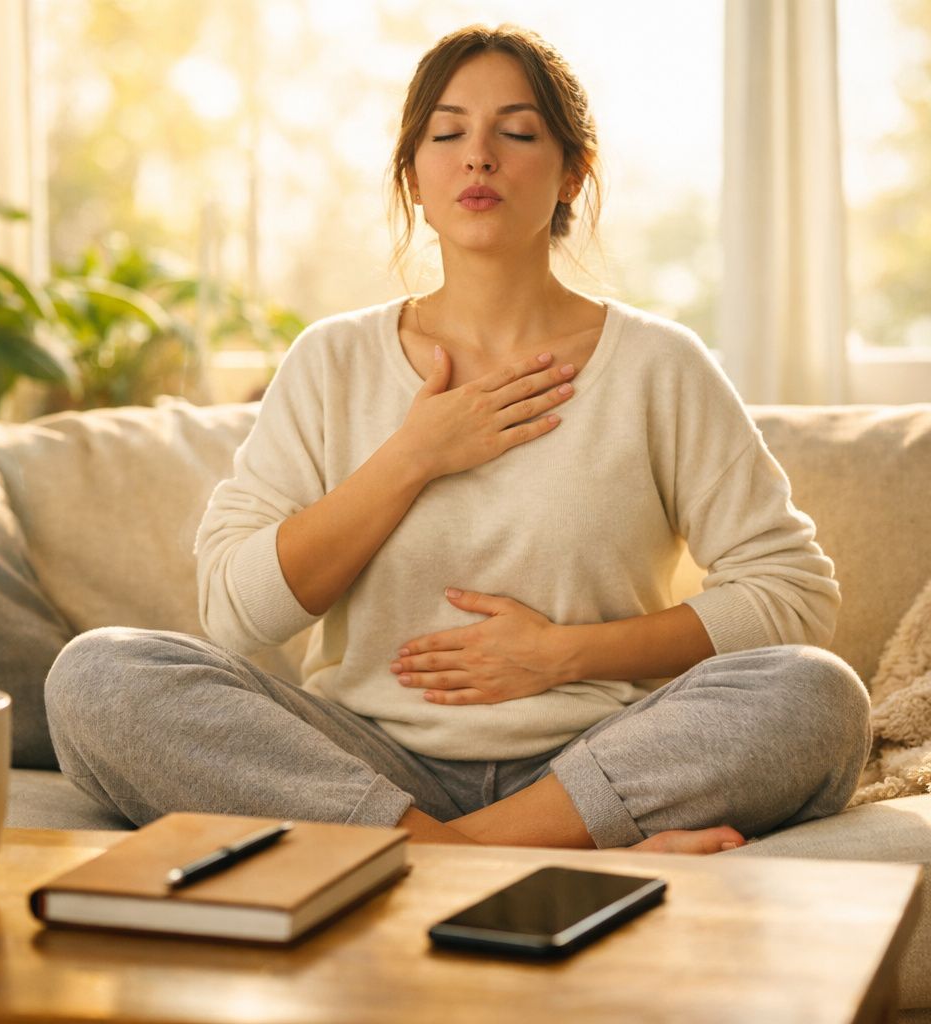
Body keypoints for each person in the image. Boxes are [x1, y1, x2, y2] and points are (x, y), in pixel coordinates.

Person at [45, 24, 871, 855]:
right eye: (447, 134)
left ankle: (430, 858)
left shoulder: (659, 365)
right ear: (414, 175)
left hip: (587, 766)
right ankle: (503, 856)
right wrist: (414, 456)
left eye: (516, 133)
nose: (478, 157)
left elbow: (792, 596)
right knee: (100, 676)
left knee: (815, 695)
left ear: (571, 172)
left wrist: (561, 657)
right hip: (362, 763)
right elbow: (235, 612)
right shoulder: (331, 360)